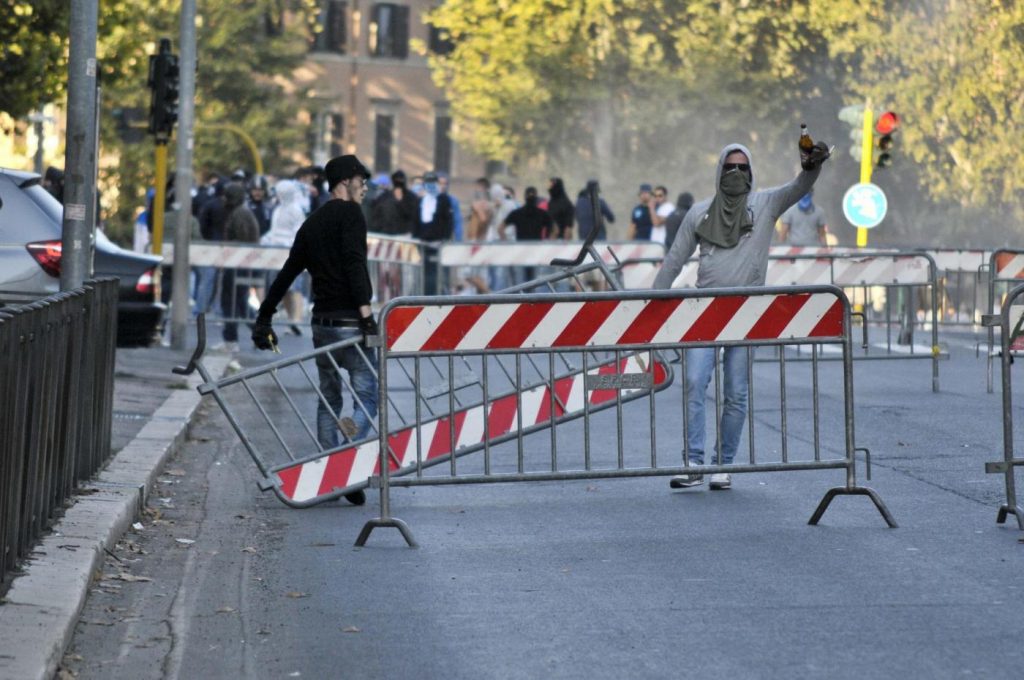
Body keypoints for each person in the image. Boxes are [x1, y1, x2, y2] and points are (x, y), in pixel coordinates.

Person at [653, 139, 830, 491]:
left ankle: (723, 464)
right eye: (730, 167)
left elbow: (800, 186)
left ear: (751, 172)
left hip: (747, 314)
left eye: (743, 168)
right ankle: (694, 462)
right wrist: (650, 303)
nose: (736, 173)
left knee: (735, 391)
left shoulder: (766, 204)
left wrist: (813, 164)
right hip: (705, 311)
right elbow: (674, 259)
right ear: (719, 170)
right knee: (694, 382)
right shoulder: (700, 213)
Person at [252, 155, 377, 506]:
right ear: (345, 182)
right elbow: (355, 262)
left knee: (329, 397)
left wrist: (264, 316)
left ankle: (332, 474)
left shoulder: (311, 223)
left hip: (321, 323)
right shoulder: (351, 214)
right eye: (361, 181)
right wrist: (367, 313)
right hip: (351, 322)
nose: (365, 187)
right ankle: (347, 462)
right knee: (367, 393)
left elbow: (289, 271)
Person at [261, 179, 309, 336]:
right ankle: (290, 320)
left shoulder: (296, 210)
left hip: (291, 254)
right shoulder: (278, 210)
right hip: (276, 254)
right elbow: (274, 230)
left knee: (295, 288)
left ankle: (296, 320)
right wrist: (267, 239)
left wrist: (286, 243)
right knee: (286, 289)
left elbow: (299, 232)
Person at [218, 183, 261, 350]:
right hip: (240, 263)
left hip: (237, 263)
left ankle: (231, 340)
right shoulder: (241, 212)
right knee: (240, 302)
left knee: (231, 301)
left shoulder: (240, 214)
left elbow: (241, 241)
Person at [500, 186, 553, 284]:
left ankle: (522, 298)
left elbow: (501, 228)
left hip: (521, 249)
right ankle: (532, 298)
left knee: (521, 281)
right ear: (536, 198)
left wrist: (505, 243)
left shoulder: (517, 213)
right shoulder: (542, 214)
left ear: (525, 197)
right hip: (536, 248)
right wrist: (548, 241)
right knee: (534, 280)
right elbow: (555, 229)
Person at [415, 171, 455, 294]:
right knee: (426, 271)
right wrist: (417, 237)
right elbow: (416, 220)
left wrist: (445, 239)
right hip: (424, 242)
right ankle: (427, 294)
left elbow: (448, 221)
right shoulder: (421, 200)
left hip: (438, 243)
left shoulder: (443, 199)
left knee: (437, 273)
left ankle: (439, 294)